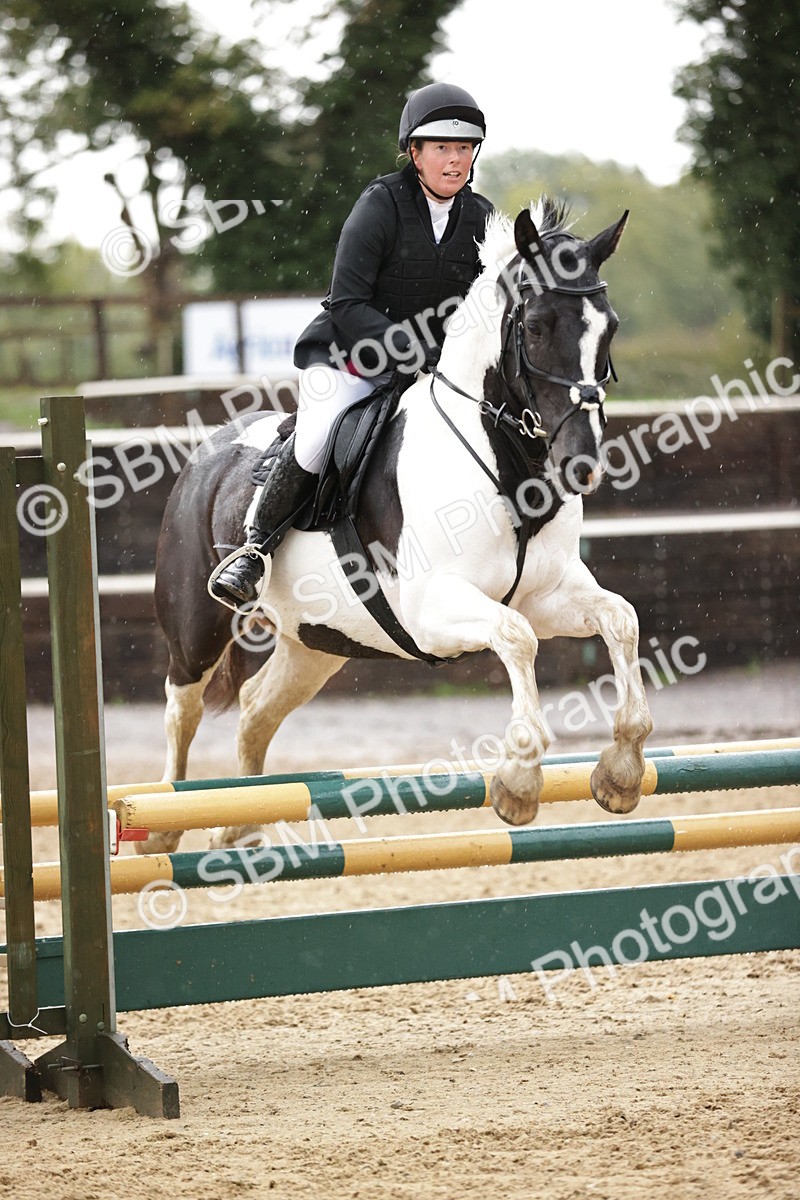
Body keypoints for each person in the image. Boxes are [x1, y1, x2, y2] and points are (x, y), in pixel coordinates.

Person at [209, 82, 494, 609]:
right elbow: (346, 302)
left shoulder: (481, 217)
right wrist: (412, 349)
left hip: (430, 369)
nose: (455, 160)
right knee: (317, 436)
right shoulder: (380, 204)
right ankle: (254, 550)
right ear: (415, 153)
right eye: (442, 148)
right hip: (351, 359)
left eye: (464, 148)